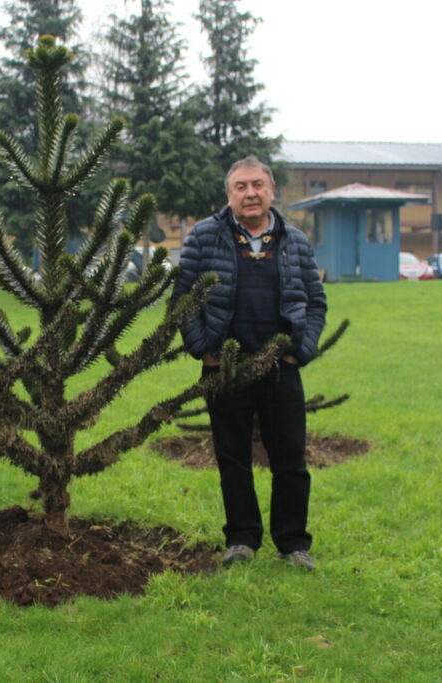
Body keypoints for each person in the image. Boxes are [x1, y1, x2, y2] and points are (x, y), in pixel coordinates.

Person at [170, 156, 327, 570]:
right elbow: (182, 299)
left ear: (272, 191)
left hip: (281, 368)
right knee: (232, 458)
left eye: (258, 184)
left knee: (290, 460)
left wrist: (302, 350)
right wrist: (203, 349)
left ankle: (293, 543)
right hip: (225, 368)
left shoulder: (294, 241)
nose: (250, 193)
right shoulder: (204, 237)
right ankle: (241, 539)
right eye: (241, 186)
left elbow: (315, 302)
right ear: (229, 195)